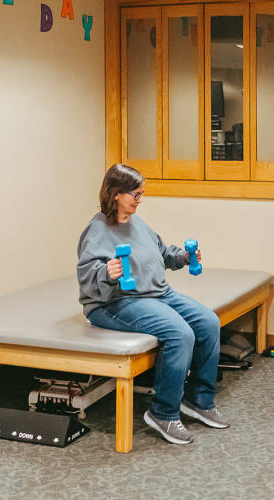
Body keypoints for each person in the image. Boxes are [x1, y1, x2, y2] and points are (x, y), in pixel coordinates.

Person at [76, 163, 228, 445]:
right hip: (116, 302)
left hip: (158, 293)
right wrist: (105, 273)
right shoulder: (97, 230)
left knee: (208, 322)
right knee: (180, 334)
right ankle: (164, 412)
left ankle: (199, 400)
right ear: (116, 194)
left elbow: (160, 253)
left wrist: (180, 256)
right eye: (135, 194)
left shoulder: (138, 224)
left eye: (141, 193)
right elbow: (86, 279)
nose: (139, 199)